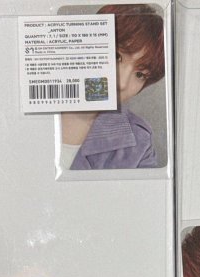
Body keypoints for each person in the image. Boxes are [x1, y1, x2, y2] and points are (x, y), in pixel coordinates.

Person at [61, 4, 165, 170]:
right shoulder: (30, 109)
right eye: (116, 56)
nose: (121, 83)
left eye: (140, 74)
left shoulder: (139, 142)